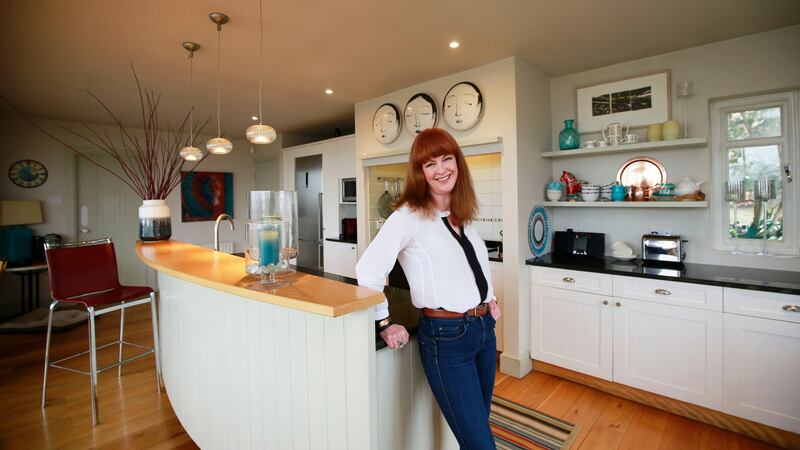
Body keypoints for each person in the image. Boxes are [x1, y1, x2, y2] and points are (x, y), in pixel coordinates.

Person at [356, 128, 501, 450]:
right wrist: (382, 321)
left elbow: (474, 264)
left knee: (478, 428)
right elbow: (367, 271)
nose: (441, 170)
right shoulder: (407, 216)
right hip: (447, 337)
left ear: (458, 164)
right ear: (420, 173)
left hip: (483, 331)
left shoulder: (461, 214)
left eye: (447, 159)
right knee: (480, 443)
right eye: (430, 164)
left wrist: (488, 297)